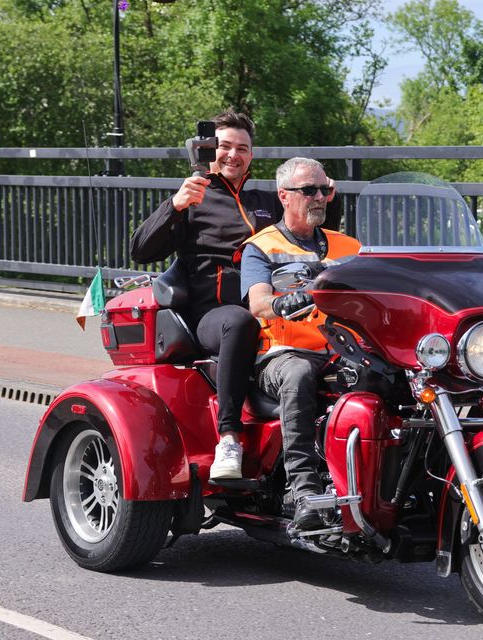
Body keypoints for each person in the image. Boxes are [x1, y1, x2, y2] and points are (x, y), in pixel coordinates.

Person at [130, 111, 339, 481]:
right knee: (238, 320)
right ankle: (229, 436)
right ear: (209, 150)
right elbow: (141, 250)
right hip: (215, 314)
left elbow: (318, 232)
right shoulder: (195, 197)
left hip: (276, 313)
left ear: (251, 157)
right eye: (224, 146)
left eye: (242, 148)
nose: (232, 154)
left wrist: (323, 192)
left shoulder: (268, 201)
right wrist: (174, 206)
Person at [239, 157, 361, 530]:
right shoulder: (261, 247)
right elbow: (257, 302)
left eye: (325, 189)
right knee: (299, 375)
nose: (319, 197)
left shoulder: (350, 246)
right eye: (309, 190)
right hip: (281, 354)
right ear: (284, 196)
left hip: (342, 352)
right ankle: (303, 489)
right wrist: (281, 302)